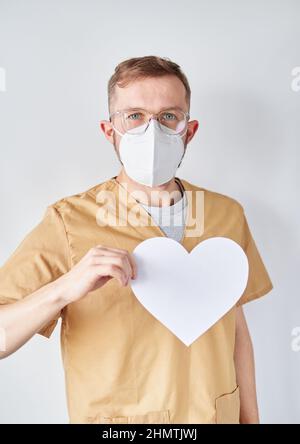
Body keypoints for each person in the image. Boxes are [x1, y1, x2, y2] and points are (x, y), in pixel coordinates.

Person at [0, 55, 273, 424]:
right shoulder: (69, 221)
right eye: (135, 116)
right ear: (109, 130)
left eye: (168, 117)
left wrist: (250, 418)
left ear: (188, 130)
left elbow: (237, 330)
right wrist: (66, 287)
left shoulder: (225, 216)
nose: (152, 131)